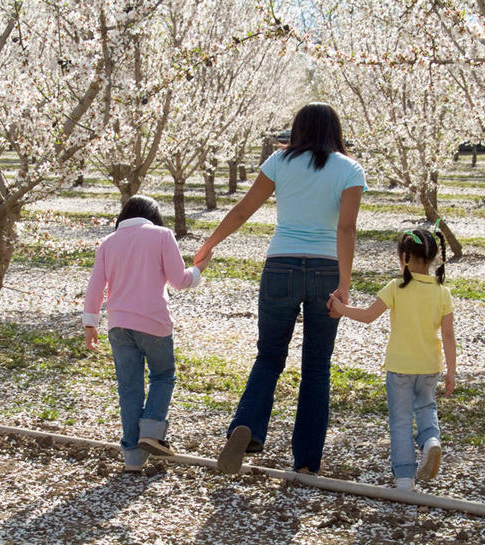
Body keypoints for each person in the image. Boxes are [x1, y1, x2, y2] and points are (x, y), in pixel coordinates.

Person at [194, 102, 366, 475]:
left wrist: (210, 243)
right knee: (316, 367)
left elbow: (243, 210)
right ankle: (306, 463)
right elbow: (346, 229)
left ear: (299, 129)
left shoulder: (280, 161)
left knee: (269, 356)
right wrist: (344, 285)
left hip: (280, 266)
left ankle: (247, 426)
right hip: (325, 270)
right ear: (335, 130)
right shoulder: (350, 169)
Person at [83, 195, 211, 471]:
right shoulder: (162, 235)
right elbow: (179, 281)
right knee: (163, 376)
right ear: (154, 216)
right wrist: (199, 268)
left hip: (118, 324)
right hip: (153, 323)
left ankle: (133, 459)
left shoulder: (108, 243)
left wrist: (90, 322)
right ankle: (151, 433)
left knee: (129, 389)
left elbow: (96, 286)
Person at [328, 225, 457, 491]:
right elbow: (448, 336)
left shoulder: (396, 287)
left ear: (405, 257)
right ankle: (431, 441)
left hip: (400, 367)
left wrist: (341, 308)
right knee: (426, 409)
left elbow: (367, 315)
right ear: (433, 259)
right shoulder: (443, 293)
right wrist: (451, 372)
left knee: (400, 421)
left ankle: (404, 479)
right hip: (429, 367)